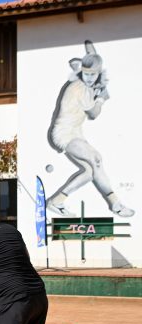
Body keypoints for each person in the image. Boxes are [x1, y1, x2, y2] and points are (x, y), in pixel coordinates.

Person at [47, 40, 134, 218]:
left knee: (89, 172)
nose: (88, 77)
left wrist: (99, 90)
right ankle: (115, 203)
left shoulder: (87, 87)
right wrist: (101, 97)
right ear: (82, 72)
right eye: (86, 74)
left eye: (92, 74)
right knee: (96, 158)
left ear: (97, 73)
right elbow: (93, 113)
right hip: (65, 133)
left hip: (74, 133)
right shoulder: (80, 88)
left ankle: (56, 201)